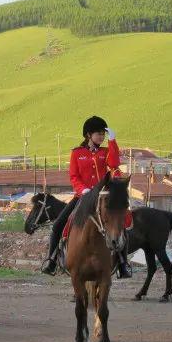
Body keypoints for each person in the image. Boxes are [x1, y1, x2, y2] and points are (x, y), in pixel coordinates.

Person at [41, 116, 132, 278]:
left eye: (103, 134)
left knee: (120, 226)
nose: (102, 137)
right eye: (99, 134)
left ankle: (123, 263)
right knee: (58, 225)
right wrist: (82, 189)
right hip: (82, 196)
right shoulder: (77, 153)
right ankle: (51, 260)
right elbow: (74, 176)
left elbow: (114, 164)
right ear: (88, 135)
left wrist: (112, 141)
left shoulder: (105, 152)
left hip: (103, 197)